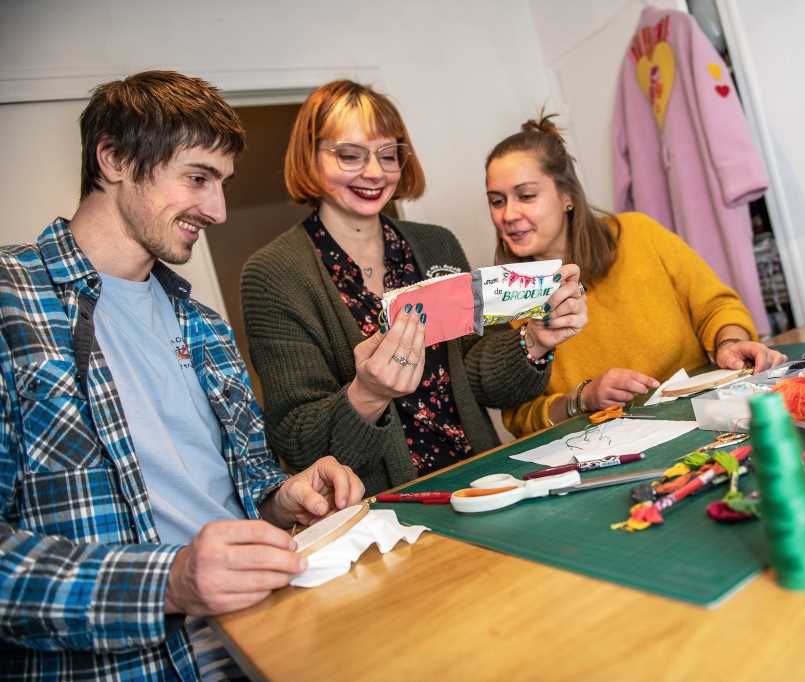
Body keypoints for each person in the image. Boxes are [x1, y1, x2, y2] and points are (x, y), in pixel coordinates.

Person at [0, 71, 365, 680]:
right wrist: (168, 583)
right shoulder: (12, 304)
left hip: (270, 642)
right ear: (113, 158)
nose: (217, 210)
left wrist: (284, 498)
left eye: (221, 184)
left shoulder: (204, 329)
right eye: (197, 178)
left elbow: (244, 486)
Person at [240, 81, 586, 496]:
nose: (374, 172)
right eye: (350, 155)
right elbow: (296, 441)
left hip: (483, 481)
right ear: (309, 158)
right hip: (386, 511)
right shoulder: (274, 273)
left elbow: (479, 380)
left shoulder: (435, 243)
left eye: (388, 155)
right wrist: (366, 394)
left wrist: (533, 342)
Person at [485, 115, 787, 437]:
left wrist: (730, 342)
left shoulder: (637, 234)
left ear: (567, 196)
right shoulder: (501, 296)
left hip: (705, 420)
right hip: (609, 447)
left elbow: (716, 306)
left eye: (526, 195)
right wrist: (583, 398)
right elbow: (519, 415)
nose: (509, 215)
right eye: (497, 201)